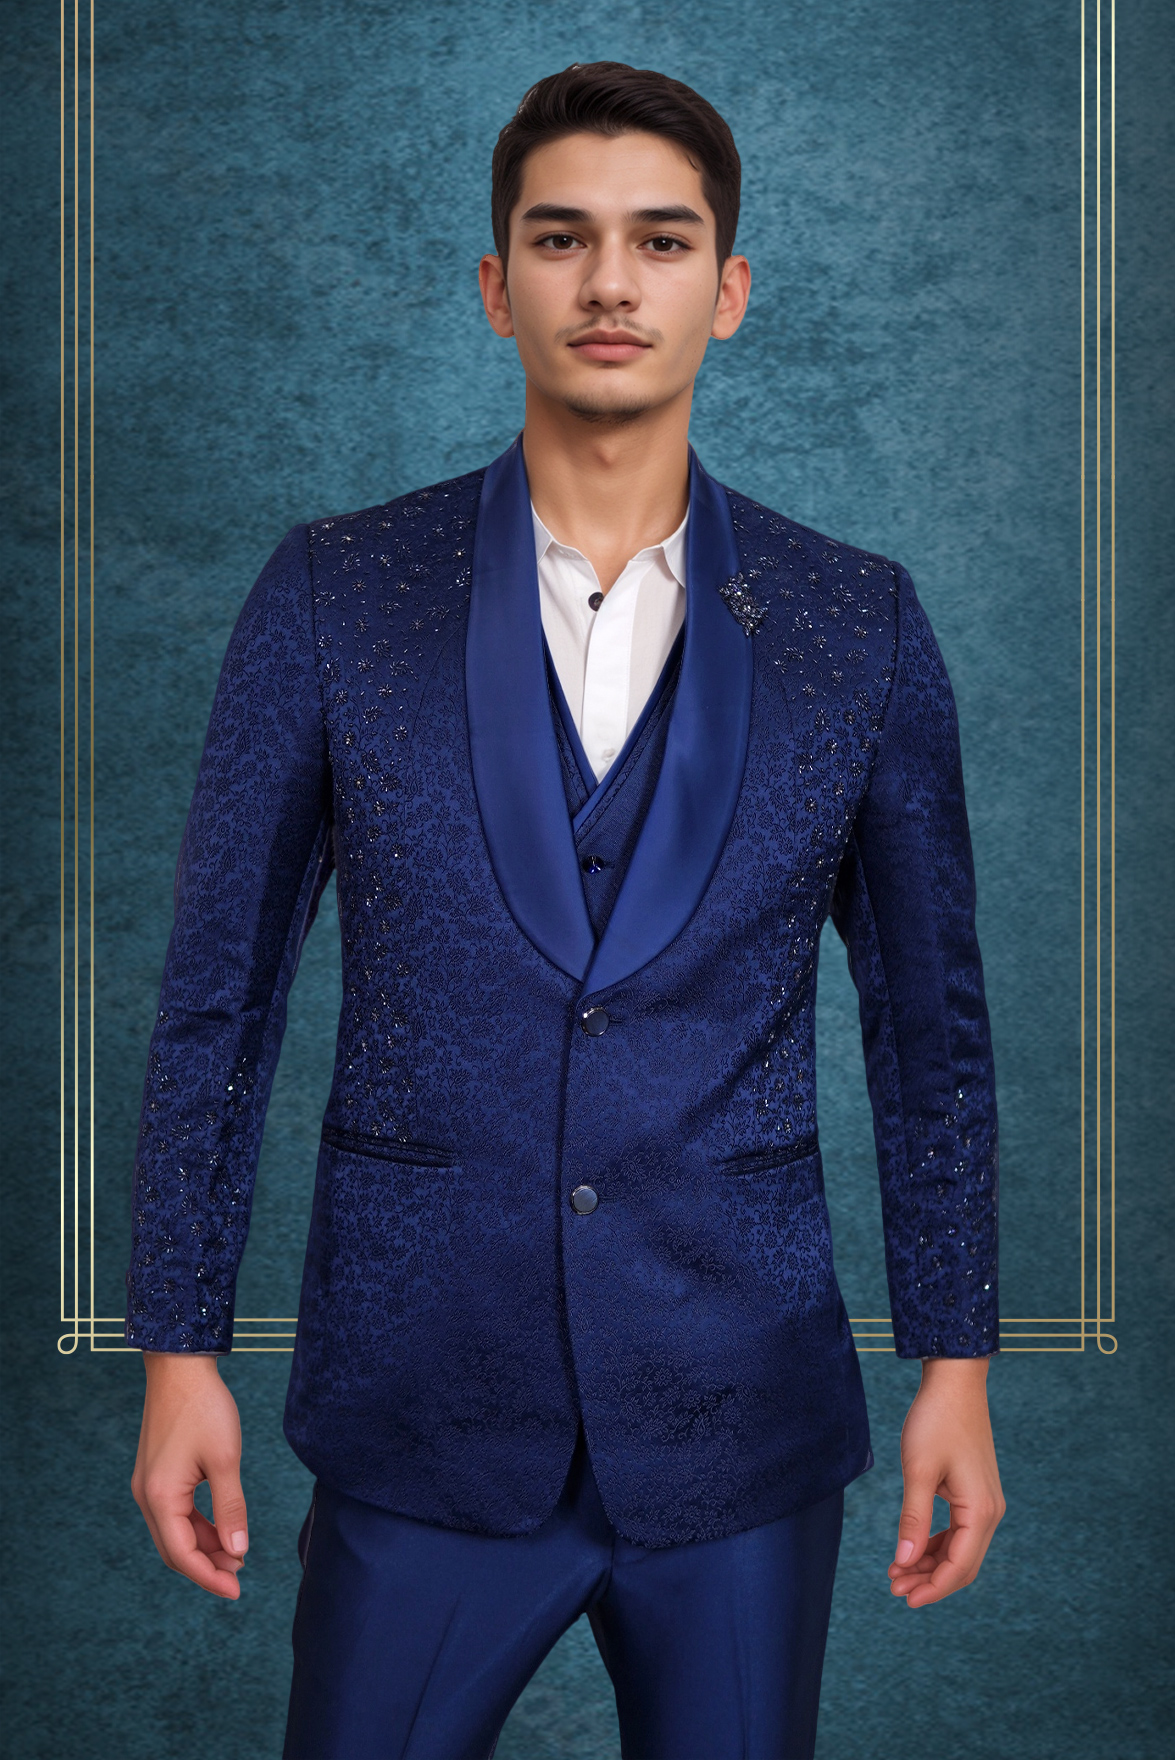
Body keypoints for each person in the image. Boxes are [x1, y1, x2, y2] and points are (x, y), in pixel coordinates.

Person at [126, 61, 1005, 1760]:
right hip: (422, 1399)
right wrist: (178, 1351)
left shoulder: (860, 624)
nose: (611, 282)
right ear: (495, 284)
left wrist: (955, 1366)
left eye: (661, 241)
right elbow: (217, 1001)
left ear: (727, 291)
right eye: (562, 238)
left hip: (742, 1413)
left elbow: (933, 1039)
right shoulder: (332, 594)